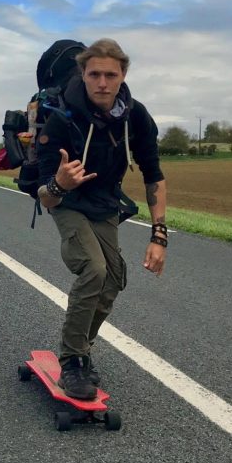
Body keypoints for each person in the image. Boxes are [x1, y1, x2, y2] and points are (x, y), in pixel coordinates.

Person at [36, 38, 167, 399]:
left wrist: (159, 236)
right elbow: (44, 197)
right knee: (93, 269)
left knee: (113, 280)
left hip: (106, 203)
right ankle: (73, 361)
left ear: (123, 75)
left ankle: (82, 348)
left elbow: (154, 175)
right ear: (83, 74)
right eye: (95, 74)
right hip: (68, 203)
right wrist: (60, 184)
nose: (103, 82)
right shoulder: (60, 117)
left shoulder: (136, 116)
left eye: (111, 74)